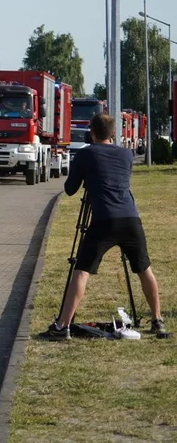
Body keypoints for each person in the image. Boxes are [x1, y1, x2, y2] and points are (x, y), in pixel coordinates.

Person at [42, 113, 169, 340]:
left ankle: (62, 326)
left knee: (82, 270)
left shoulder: (85, 154)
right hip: (131, 218)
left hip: (103, 220)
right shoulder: (126, 154)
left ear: (91, 132)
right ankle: (158, 320)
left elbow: (70, 189)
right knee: (144, 268)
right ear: (112, 133)